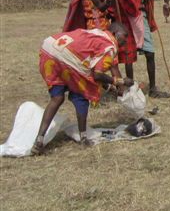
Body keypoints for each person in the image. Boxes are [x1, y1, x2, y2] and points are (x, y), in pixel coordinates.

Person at [32, 22, 132, 154]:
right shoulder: (110, 45)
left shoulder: (99, 35)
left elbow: (112, 67)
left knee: (57, 98)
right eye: (124, 35)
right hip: (68, 58)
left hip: (50, 48)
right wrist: (118, 81)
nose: (126, 40)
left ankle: (39, 140)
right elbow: (97, 75)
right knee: (82, 94)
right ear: (114, 33)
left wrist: (118, 86)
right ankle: (83, 137)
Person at [112, 0, 170, 98]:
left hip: (140, 13)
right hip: (125, 15)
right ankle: (131, 89)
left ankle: (152, 89)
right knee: (128, 55)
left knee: (150, 52)